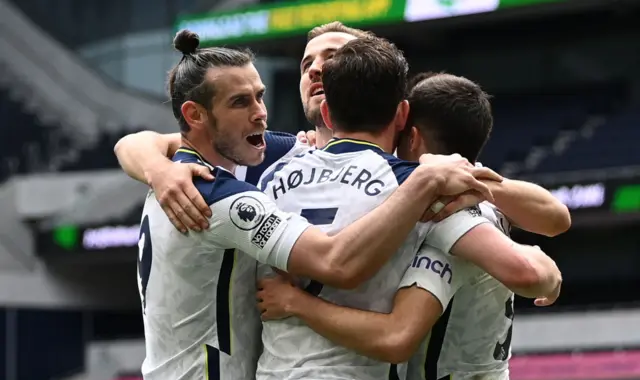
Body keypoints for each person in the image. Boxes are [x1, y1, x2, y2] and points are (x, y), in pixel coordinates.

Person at [125, 30, 498, 380]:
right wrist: (425, 182)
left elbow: (137, 143)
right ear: (194, 115)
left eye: (260, 95)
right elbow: (335, 262)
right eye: (240, 102)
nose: (260, 113)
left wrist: (154, 166)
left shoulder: (236, 166)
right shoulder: (217, 196)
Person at [255, 73, 566, 380]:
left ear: (411, 135)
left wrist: (296, 304)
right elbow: (556, 220)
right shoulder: (455, 196)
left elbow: (396, 335)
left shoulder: (444, 212)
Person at [238, 36, 502, 380]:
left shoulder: (269, 174)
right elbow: (532, 264)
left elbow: (177, 146)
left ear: (326, 113)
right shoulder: (416, 184)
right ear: (402, 115)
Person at [113, 21, 571, 237]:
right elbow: (137, 142)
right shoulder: (274, 151)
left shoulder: (414, 163)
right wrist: (160, 170)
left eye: (332, 60)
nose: (316, 70)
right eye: (307, 63)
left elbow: (553, 217)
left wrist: (483, 188)